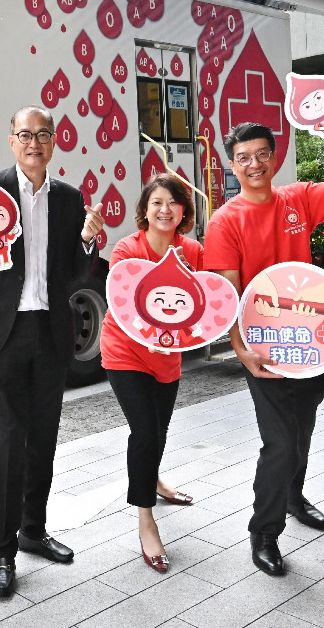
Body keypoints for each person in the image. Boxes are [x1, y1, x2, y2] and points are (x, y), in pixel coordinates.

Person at [203, 106, 324, 578]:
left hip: (310, 345)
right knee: (280, 442)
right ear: (233, 164)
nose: (254, 164)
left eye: (262, 154)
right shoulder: (226, 221)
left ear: (274, 155)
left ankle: (293, 496)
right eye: (243, 157)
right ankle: (263, 531)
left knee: (302, 432)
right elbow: (227, 292)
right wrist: (241, 350)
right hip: (264, 350)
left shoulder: (297, 199)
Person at [0, 106, 103, 599]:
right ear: (10, 141)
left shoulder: (69, 198)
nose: (34, 142)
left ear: (54, 141)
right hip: (4, 332)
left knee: (44, 436)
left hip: (51, 331)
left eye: (42, 134)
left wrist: (86, 240)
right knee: (9, 438)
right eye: (24, 134)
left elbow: (79, 273)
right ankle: (2, 551)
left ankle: (33, 530)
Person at [99, 174, 203, 573]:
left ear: (183, 211)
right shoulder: (128, 249)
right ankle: (146, 520)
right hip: (125, 350)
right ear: (144, 210)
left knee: (159, 429)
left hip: (167, 357)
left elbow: (206, 301)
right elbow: (125, 307)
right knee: (144, 431)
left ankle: (155, 481)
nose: (165, 210)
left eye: (173, 203)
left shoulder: (191, 250)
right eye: (156, 202)